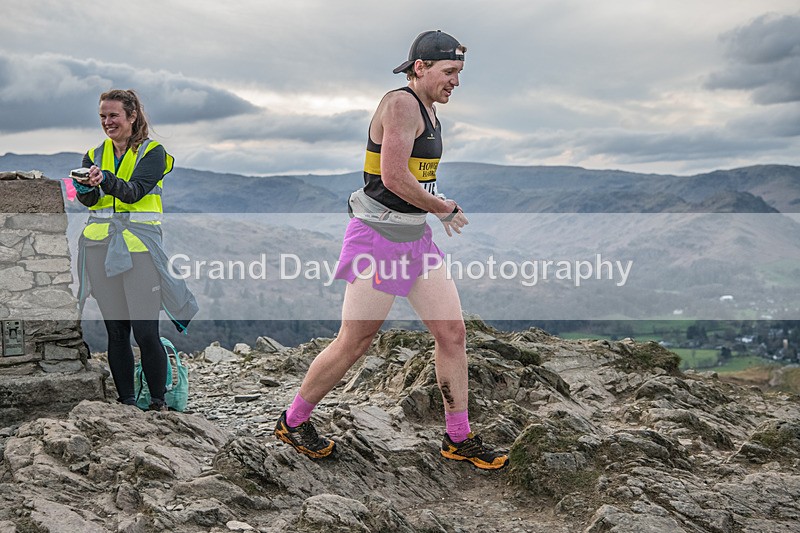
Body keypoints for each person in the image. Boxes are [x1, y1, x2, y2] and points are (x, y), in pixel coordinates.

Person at [274, 31, 508, 470]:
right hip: (377, 239)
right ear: (420, 68)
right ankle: (293, 421)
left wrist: (432, 210)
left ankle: (458, 438)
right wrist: (444, 208)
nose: (456, 81)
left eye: (459, 72)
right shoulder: (401, 104)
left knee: (452, 334)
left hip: (414, 238)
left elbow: (412, 181)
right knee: (355, 341)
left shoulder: (431, 113)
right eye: (449, 72)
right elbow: (395, 177)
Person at [73, 89, 197, 411]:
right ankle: (127, 402)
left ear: (132, 116)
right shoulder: (93, 154)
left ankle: (158, 403)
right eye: (102, 116)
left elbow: (134, 192)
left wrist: (105, 180)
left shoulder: (154, 153)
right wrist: (86, 188)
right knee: (116, 330)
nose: (107, 122)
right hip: (100, 247)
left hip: (139, 250)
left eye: (113, 115)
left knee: (144, 330)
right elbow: (90, 201)